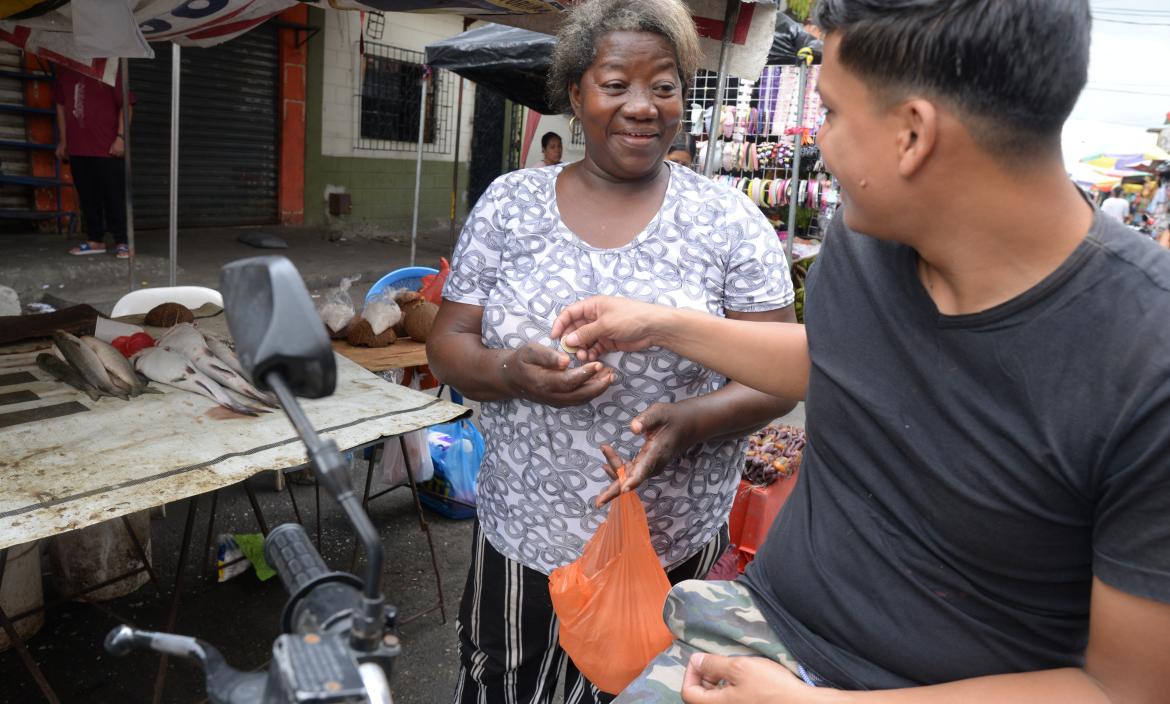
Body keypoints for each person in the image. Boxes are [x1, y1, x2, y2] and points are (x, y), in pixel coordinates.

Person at [552, 0, 1170, 701]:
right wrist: (664, 324)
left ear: (912, 134)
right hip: (766, 627)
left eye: (834, 114)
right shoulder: (867, 241)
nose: (822, 140)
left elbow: (1127, 689)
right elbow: (844, 360)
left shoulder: (1147, 361)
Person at [426, 1, 797, 701]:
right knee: (506, 687)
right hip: (526, 540)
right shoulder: (510, 206)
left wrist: (693, 421)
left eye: (664, 86)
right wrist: (509, 371)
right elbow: (446, 347)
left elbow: (779, 376)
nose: (643, 107)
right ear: (574, 92)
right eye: (616, 83)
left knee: (649, 691)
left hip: (669, 548)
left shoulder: (728, 222)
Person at [54, 65, 134, 258]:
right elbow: (61, 106)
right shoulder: (65, 72)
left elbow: (127, 105)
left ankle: (123, 241)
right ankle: (95, 240)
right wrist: (64, 141)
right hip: (78, 147)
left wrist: (121, 138)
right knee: (87, 196)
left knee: (113, 196)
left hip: (107, 147)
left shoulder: (107, 70)